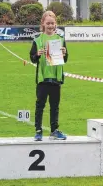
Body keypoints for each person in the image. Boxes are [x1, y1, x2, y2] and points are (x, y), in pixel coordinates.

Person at [29, 11, 68, 141]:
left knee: (55, 106)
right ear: (43, 24)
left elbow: (66, 59)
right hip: (42, 78)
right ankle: (38, 130)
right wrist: (38, 54)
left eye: (52, 23)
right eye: (48, 23)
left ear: (55, 24)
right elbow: (33, 59)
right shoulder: (38, 40)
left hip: (56, 79)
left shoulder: (60, 39)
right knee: (40, 105)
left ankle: (54, 131)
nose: (50, 26)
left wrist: (64, 52)